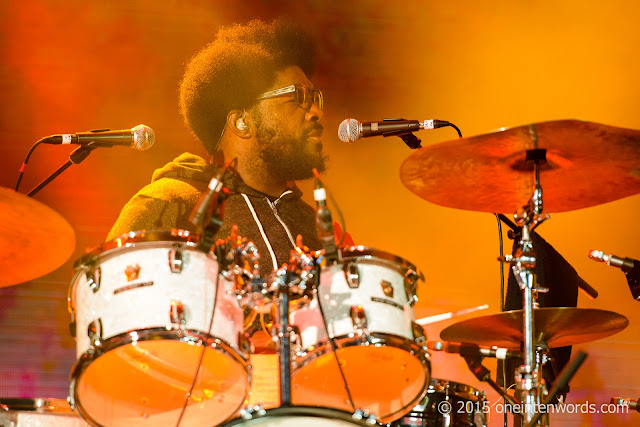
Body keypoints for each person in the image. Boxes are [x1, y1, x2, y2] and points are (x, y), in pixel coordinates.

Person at [107, 19, 343, 278]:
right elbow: (115, 307)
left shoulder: (317, 226)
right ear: (241, 122)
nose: (317, 112)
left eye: (315, 97)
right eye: (299, 96)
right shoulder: (166, 205)